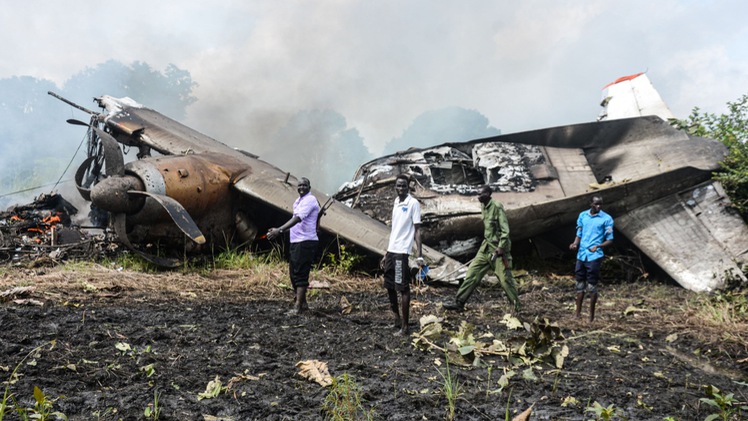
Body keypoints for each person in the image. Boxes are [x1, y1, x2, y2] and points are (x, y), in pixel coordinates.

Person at [444, 185, 520, 312]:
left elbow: (505, 230)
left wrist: (501, 247)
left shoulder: (496, 206)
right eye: (478, 194)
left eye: (481, 194)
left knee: (505, 280)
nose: (478, 197)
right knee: (472, 274)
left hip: (498, 251)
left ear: (489, 194)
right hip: (486, 247)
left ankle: (517, 308)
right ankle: (459, 302)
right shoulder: (483, 206)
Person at [267, 177, 320, 315]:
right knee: (293, 273)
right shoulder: (298, 201)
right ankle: (303, 304)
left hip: (306, 241)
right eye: (299, 185)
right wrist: (279, 229)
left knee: (300, 273)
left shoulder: (310, 200)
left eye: (304, 185)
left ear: (309, 187)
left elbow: (297, 219)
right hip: (296, 241)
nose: (301, 187)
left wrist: (279, 230)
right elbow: (297, 224)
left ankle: (297, 307)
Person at [382, 174, 424, 336]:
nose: (401, 189)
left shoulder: (413, 203)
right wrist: (386, 253)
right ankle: (396, 320)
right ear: (395, 187)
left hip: (401, 253)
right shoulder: (396, 202)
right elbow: (395, 230)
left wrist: (419, 254)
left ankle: (405, 328)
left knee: (402, 288)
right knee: (389, 285)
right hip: (392, 251)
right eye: (398, 186)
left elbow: (418, 229)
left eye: (404, 186)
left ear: (408, 187)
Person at [569, 195, 614, 322]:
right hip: (582, 254)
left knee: (592, 286)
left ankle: (591, 317)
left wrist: (598, 246)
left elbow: (610, 239)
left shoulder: (606, 219)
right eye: (596, 204)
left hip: (594, 256)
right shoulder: (583, 216)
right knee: (579, 284)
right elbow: (579, 233)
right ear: (590, 204)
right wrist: (575, 243)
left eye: (600, 204)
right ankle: (577, 314)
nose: (598, 206)